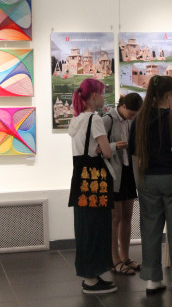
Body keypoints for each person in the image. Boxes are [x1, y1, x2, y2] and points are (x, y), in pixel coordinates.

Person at [128, 75, 172, 295]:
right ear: (168, 95)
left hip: (147, 180)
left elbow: (133, 149)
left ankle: (152, 279)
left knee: (150, 230)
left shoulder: (140, 119)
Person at [68, 78, 117, 294]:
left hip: (80, 180)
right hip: (95, 181)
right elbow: (106, 151)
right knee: (97, 228)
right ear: (95, 95)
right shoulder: (94, 119)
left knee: (85, 227)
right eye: (103, 93)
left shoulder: (76, 119)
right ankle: (90, 279)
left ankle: (90, 275)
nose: (104, 98)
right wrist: (109, 148)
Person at [102, 93, 143, 276]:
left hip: (128, 171)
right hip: (113, 173)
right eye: (131, 113)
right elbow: (96, 148)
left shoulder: (130, 121)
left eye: (135, 115)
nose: (132, 117)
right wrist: (115, 146)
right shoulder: (108, 119)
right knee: (115, 218)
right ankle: (114, 259)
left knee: (127, 216)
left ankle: (125, 257)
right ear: (123, 106)